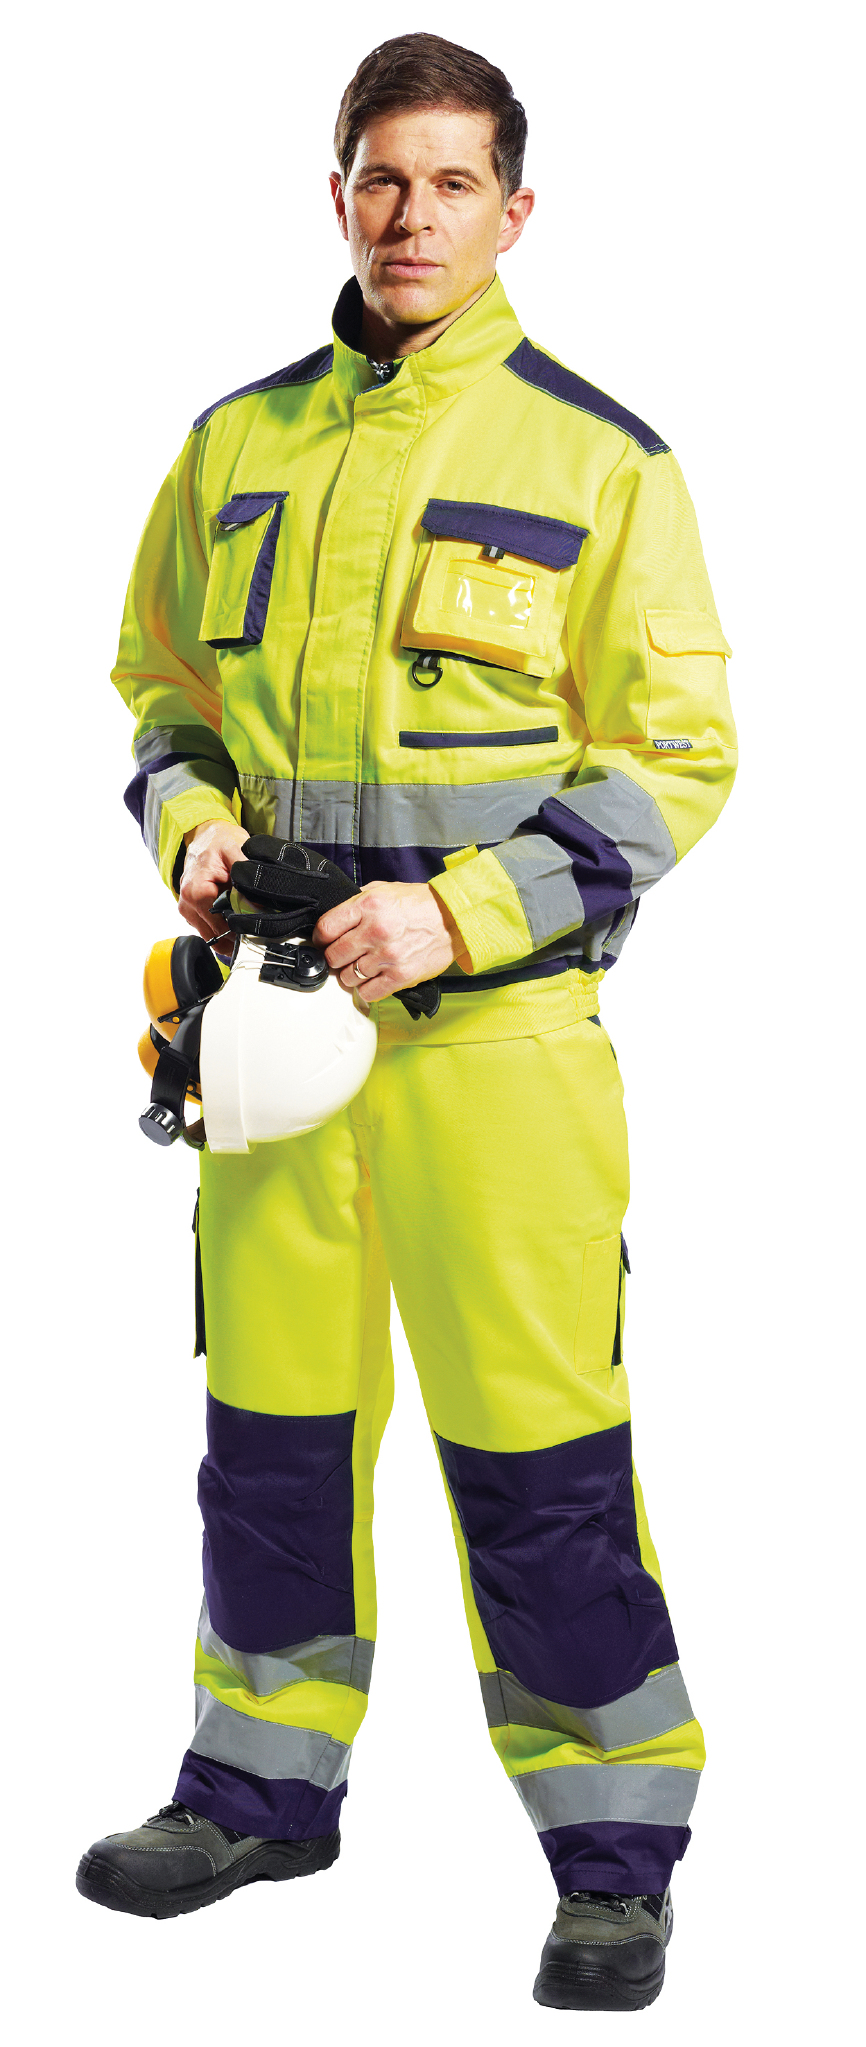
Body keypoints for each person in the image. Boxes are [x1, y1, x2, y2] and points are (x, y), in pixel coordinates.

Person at [76, 31, 736, 2013]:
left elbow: (677, 758)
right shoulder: (236, 444)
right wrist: (189, 826)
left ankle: (611, 1854)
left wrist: (459, 911)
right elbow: (160, 693)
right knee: (269, 1437)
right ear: (336, 193)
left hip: (498, 1061)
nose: (411, 213)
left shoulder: (598, 460)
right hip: (267, 1042)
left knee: (538, 1455)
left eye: (453, 182)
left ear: (514, 211)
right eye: (381, 175)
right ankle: (259, 1789)